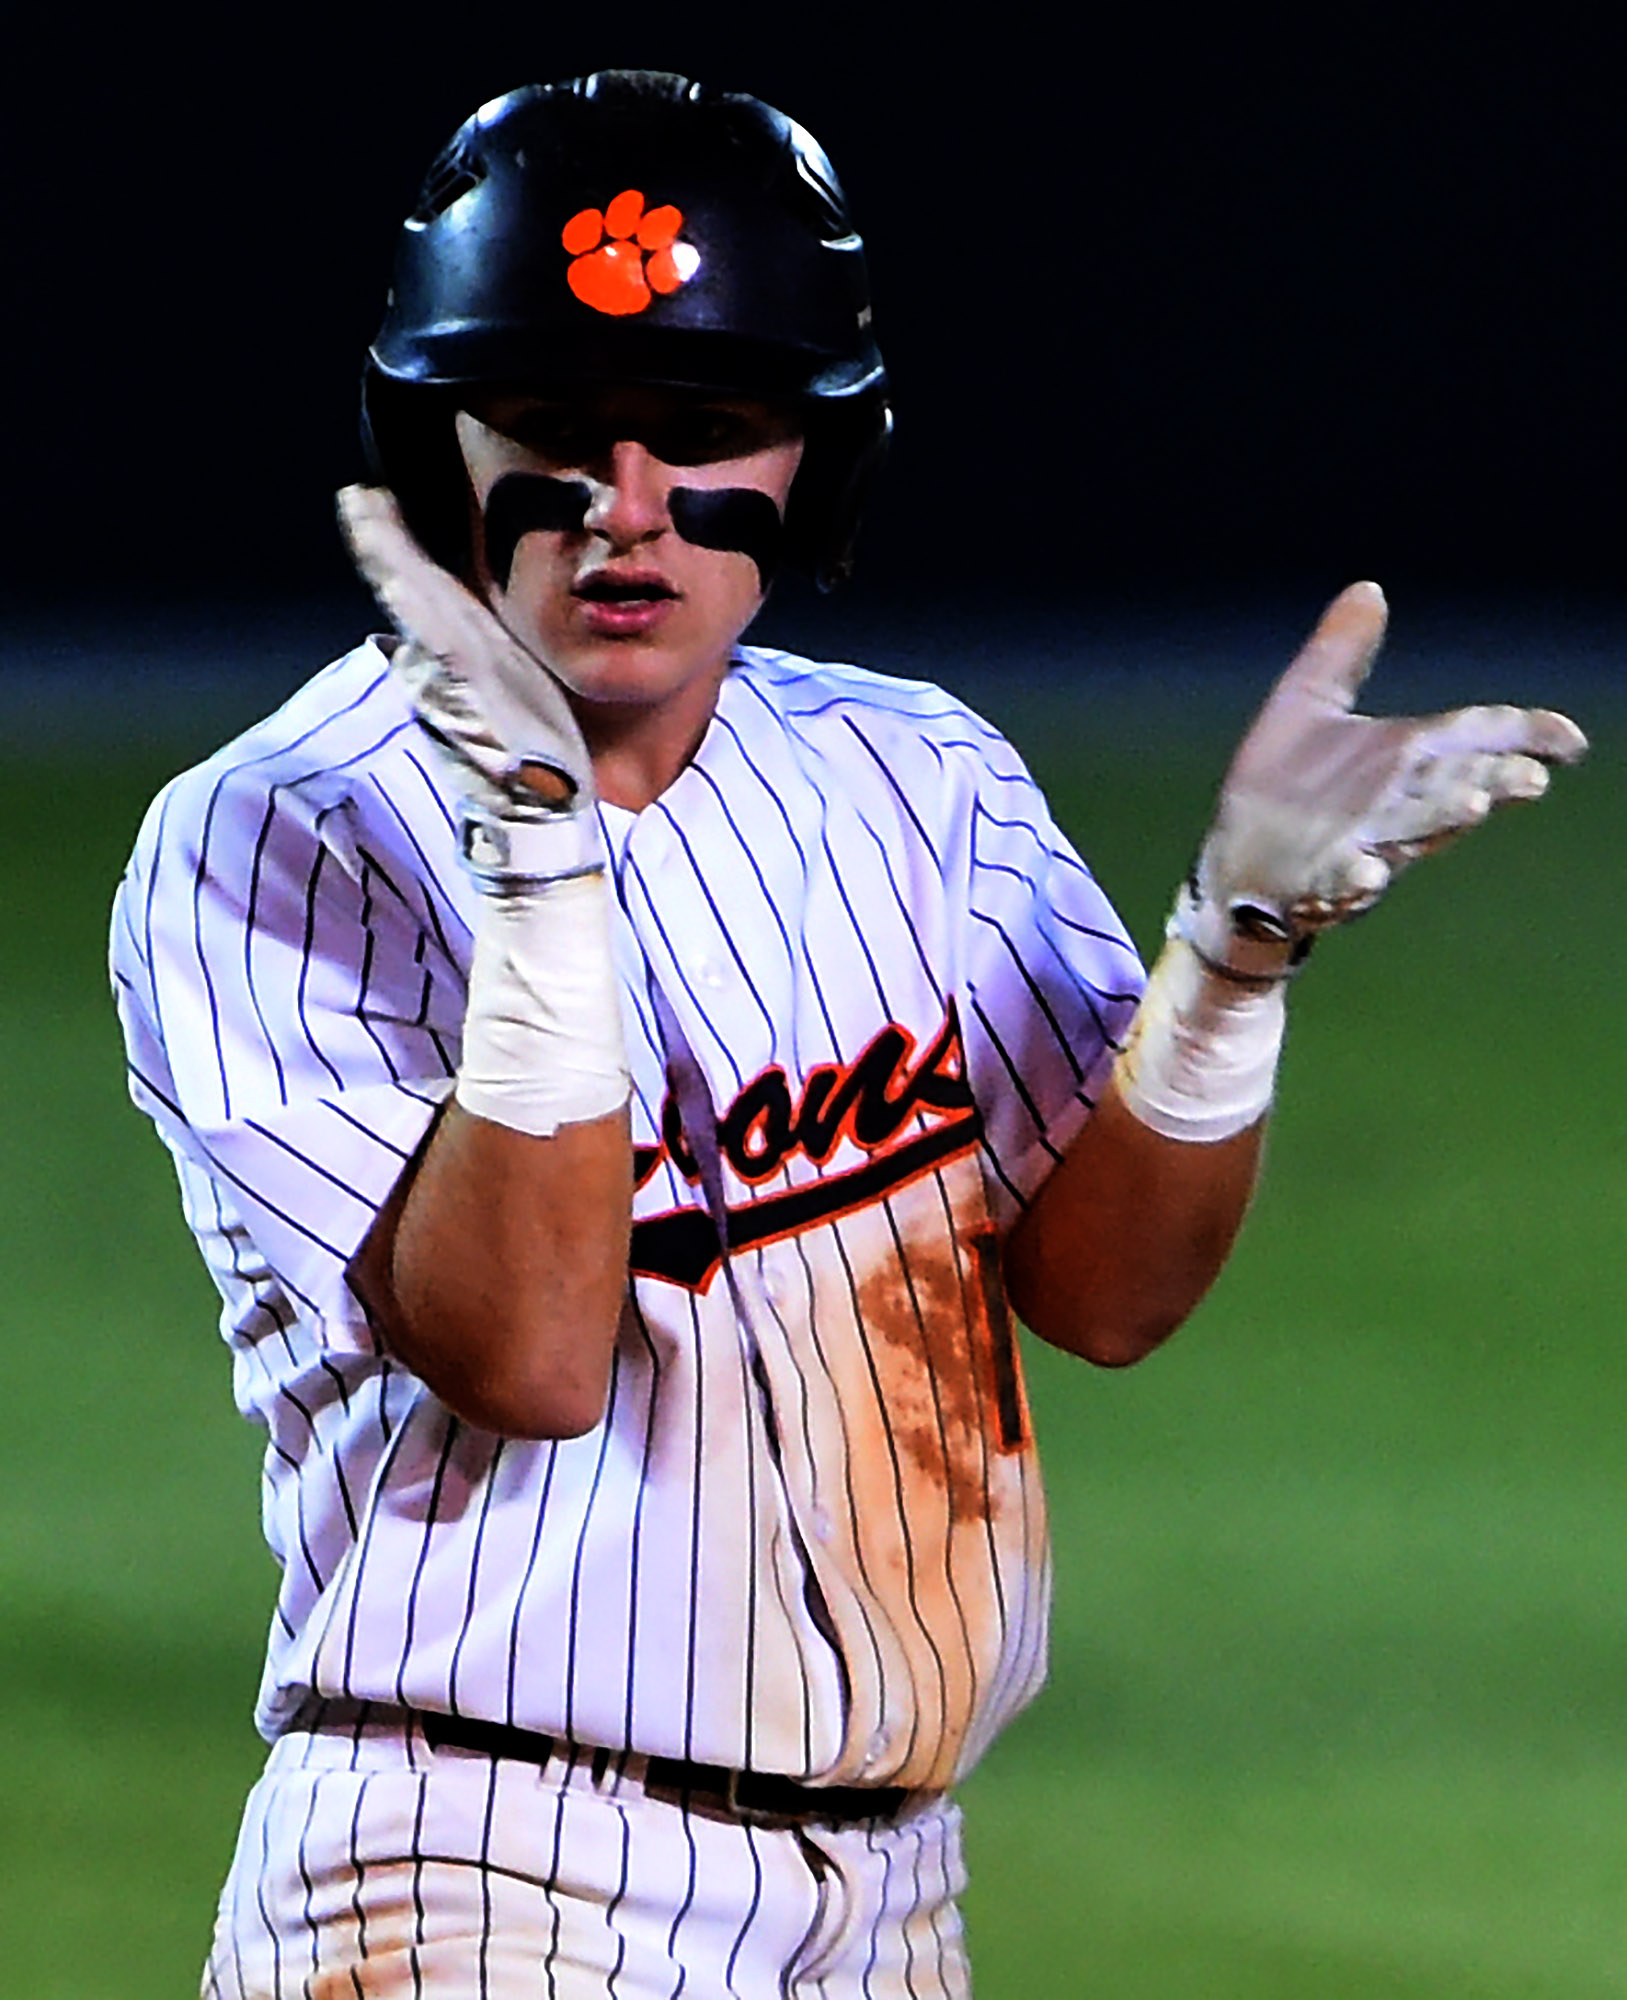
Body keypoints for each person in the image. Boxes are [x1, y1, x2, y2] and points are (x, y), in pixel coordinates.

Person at [109, 69, 1586, 1999]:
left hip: (890, 1900)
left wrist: (1231, 964)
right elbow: (529, 1355)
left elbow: (1108, 1296)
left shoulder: (917, 779)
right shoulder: (273, 833)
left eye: (704, 431)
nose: (626, 509)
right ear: (436, 454)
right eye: (554, 427)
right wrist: (546, 892)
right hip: (474, 1879)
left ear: (821, 459)